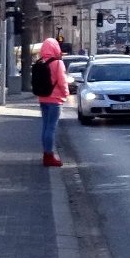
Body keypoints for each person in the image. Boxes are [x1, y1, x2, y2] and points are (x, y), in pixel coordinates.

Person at [35, 37, 71, 167]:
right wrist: (66, 94)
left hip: (43, 98)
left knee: (45, 127)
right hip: (55, 100)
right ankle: (49, 156)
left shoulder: (40, 61)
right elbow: (62, 81)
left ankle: (46, 154)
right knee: (51, 128)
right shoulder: (57, 63)